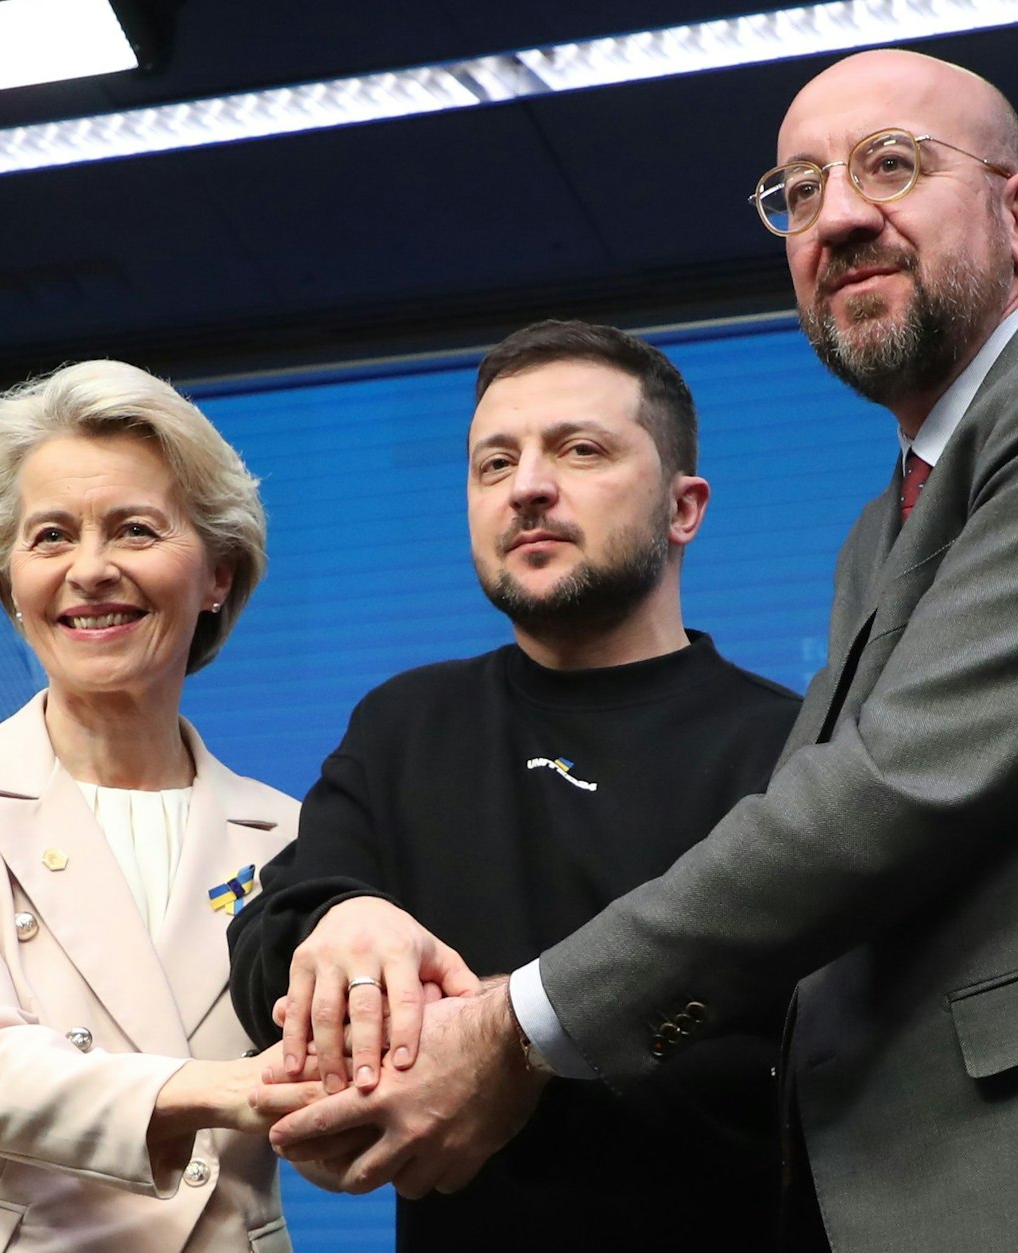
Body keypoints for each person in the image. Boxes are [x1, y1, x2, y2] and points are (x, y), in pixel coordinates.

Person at [258, 49, 1018, 1253]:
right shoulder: (878, 532)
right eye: (795, 191)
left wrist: (517, 1026)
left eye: (889, 164)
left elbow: (895, 784)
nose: (835, 216)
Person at [228, 320, 801, 1250]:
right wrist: (342, 922)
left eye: (579, 450)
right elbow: (266, 953)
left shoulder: (790, 748)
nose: (528, 486)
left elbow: (799, 1052)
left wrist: (506, 1039)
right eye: (494, 463)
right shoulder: (405, 725)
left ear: (683, 506)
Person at [0, 360, 322, 1253]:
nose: (91, 570)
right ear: (9, 582)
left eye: (136, 529)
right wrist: (224, 1090)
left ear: (218, 573)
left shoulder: (297, 834)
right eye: (51, 536)